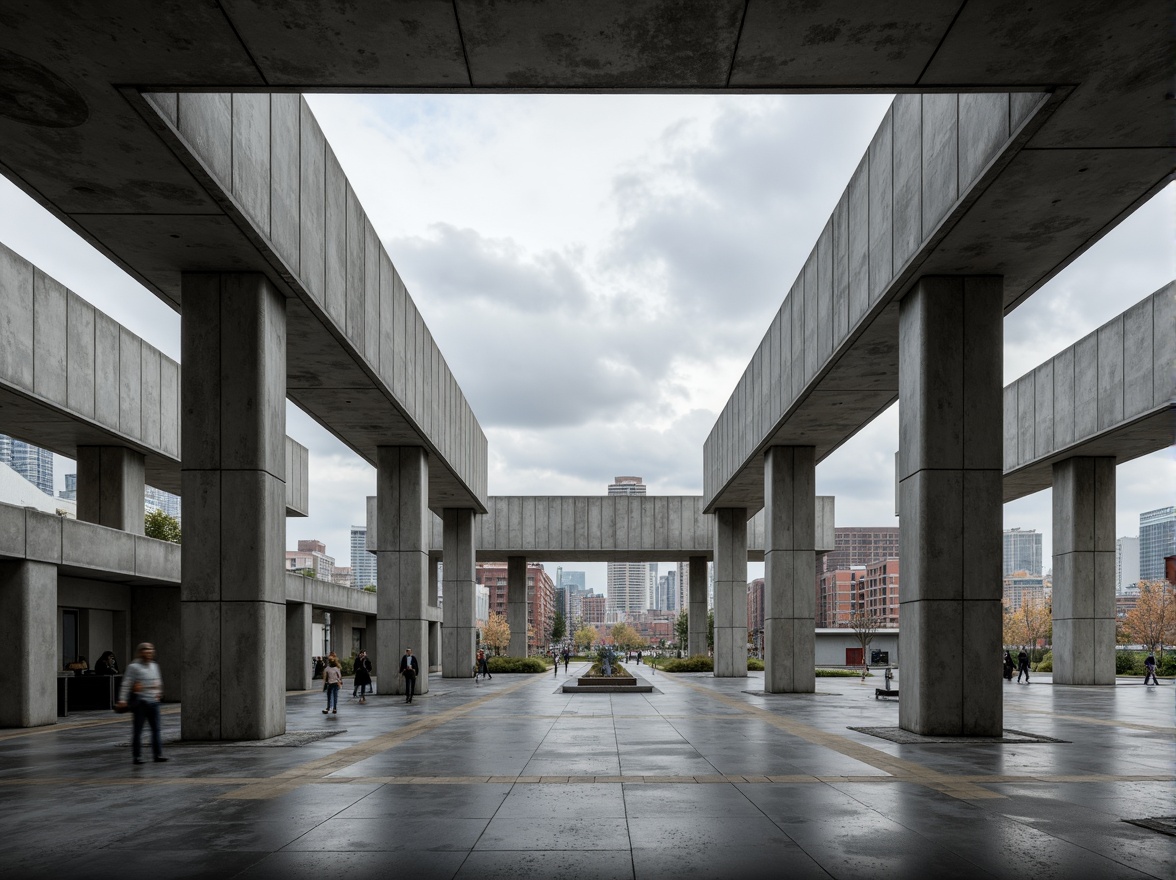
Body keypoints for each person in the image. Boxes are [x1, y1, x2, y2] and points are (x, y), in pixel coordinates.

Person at [115, 642, 167, 765]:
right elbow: (126, 684)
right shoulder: (133, 667)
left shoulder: (155, 666)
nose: (149, 652)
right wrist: (122, 700)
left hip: (153, 702)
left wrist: (159, 692)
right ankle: (137, 756)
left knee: (156, 730)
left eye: (150, 650)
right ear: (140, 652)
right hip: (140, 703)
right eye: (146, 650)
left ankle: (157, 754)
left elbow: (158, 681)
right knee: (138, 731)